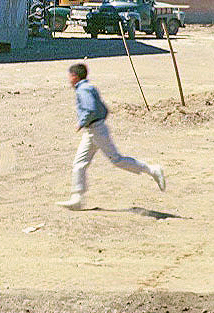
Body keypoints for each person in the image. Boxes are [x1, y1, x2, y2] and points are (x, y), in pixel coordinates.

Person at [58, 61, 164, 210]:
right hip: (94, 130)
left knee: (116, 160)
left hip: (96, 130)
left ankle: (152, 170)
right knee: (79, 163)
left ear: (75, 76)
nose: (69, 79)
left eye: (70, 76)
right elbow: (104, 109)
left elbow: (91, 109)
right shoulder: (89, 87)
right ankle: (77, 198)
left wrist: (82, 122)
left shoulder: (83, 90)